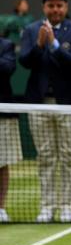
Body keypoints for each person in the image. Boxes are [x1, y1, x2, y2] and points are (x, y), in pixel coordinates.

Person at [19, 0, 71, 223]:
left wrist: (54, 45)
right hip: (39, 104)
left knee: (69, 156)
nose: (55, 9)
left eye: (59, 5)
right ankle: (47, 206)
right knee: (46, 156)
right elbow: (25, 62)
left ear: (66, 8)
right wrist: (39, 45)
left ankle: (69, 205)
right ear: (44, 8)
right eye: (51, 5)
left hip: (68, 103)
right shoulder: (30, 30)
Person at [0, 34, 22, 222]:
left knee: (2, 163)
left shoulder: (5, 45)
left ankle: (1, 208)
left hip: (3, 114)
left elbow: (7, 68)